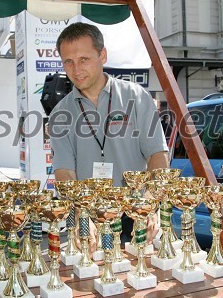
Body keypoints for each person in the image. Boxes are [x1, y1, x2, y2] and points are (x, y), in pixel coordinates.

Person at [49, 22, 169, 249]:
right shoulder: (59, 114)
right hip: (89, 218)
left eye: (84, 59)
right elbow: (64, 172)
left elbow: (157, 155)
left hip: (135, 215)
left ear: (102, 55)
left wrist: (150, 205)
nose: (76, 69)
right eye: (68, 62)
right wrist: (81, 216)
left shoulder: (136, 97)